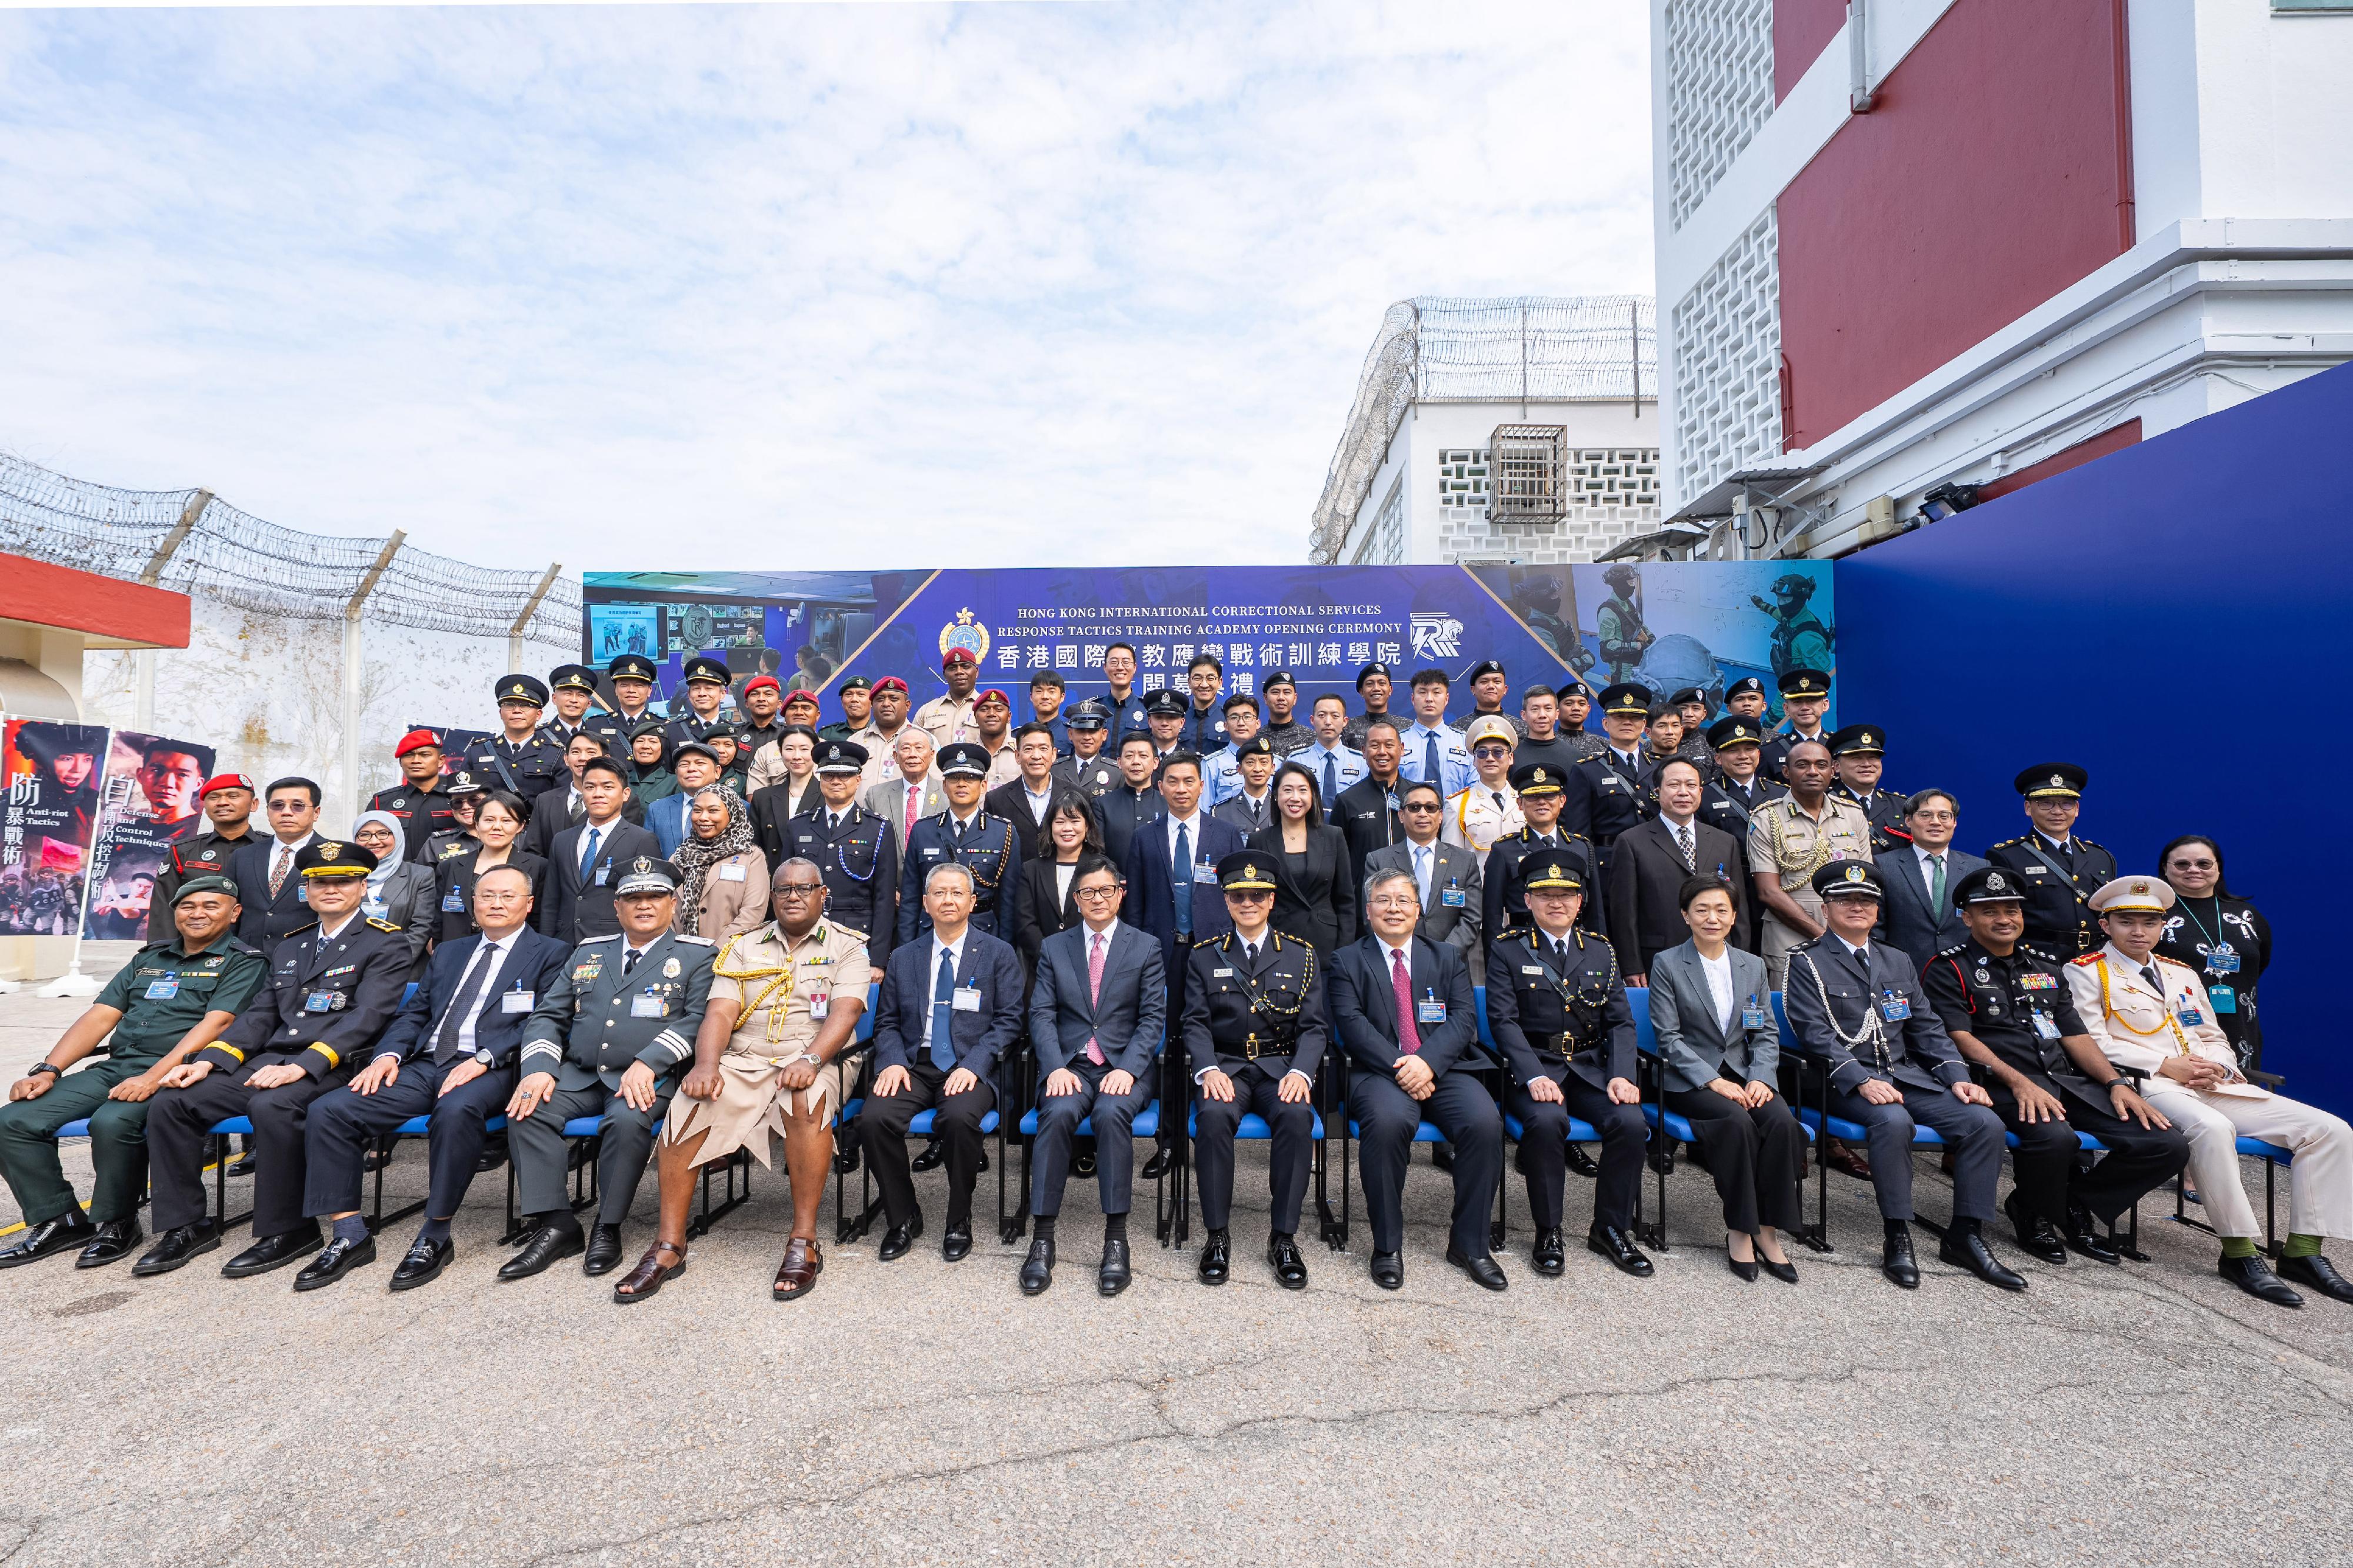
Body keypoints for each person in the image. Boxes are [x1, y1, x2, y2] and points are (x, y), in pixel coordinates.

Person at [2067, 876, 2353, 1307]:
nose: (2139, 931)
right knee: (2212, 1129)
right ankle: (2238, 1253)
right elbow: (2089, 1038)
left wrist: (2218, 1065)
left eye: (2150, 922)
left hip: (2208, 1081)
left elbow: (2212, 1032)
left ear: (2163, 925)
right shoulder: (2087, 971)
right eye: (2126, 922)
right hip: (2150, 1085)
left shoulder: (2181, 972)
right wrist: (2166, 1064)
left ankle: (2303, 1252)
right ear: (2106, 925)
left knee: (2330, 1130)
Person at [134, 842, 412, 1279]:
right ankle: (186, 1226)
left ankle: (291, 1229)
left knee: (273, 1105)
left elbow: (368, 1017)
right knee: (174, 1101)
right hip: (270, 1059)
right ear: (308, 890)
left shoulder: (386, 943)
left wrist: (302, 1066)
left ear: (362, 886)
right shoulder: (292, 945)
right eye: (321, 882)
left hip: (336, 1065)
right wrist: (208, 1061)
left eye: (342, 881)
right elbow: (262, 1013)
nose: (331, 889)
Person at [291, 866, 573, 1291]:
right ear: (473, 905)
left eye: (508, 897)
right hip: (425, 1063)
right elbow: (416, 1012)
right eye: (488, 896)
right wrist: (388, 1054)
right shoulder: (450, 951)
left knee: (456, 1110)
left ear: (529, 905)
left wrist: (485, 1056)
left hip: (494, 1066)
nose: (497, 903)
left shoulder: (554, 952)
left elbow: (546, 1020)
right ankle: (349, 1234)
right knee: (331, 1110)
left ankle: (435, 1235)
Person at [617, 859, 872, 1302]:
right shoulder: (743, 945)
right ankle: (669, 1245)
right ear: (771, 897)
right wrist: (706, 1065)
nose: (793, 896)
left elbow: (846, 1011)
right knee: (688, 1105)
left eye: (804, 888)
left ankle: (804, 1241)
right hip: (746, 1057)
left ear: (823, 894)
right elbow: (720, 1011)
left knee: (803, 1098)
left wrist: (811, 1058)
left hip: (816, 1054)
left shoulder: (849, 946)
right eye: (783, 890)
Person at [1922, 866, 2189, 1270]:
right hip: (1997, 1083)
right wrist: (2017, 1082)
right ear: (1967, 917)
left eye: (2012, 909)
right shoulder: (1949, 967)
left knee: (2164, 1143)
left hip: (2064, 1081)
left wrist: (2116, 1083)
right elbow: (1960, 1038)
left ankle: (2070, 1204)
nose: (2004, 919)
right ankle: (2036, 1215)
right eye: (1990, 911)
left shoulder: (2045, 966)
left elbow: (2076, 1037)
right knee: (2056, 1138)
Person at [0, 876, 265, 1270]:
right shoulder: (148, 959)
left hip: (182, 1073)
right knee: (14, 1119)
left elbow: (217, 1025)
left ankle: (117, 1221)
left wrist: (154, 1078)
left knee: (114, 1121)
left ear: (234, 912)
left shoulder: (244, 962)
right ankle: (61, 1219)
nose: (198, 913)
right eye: (188, 906)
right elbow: (101, 1016)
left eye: (211, 905)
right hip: (117, 1066)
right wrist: (48, 1069)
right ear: (174, 913)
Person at [1782, 861, 2024, 1292]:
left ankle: (1966, 1236)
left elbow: (1926, 1027)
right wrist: (1860, 1079)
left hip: (1906, 1077)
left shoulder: (1897, 960)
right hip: (1841, 1082)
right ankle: (1898, 1233)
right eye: (1845, 900)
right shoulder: (1807, 962)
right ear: (1825, 908)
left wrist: (1957, 1076)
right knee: (1893, 1122)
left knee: (1984, 1123)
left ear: (1878, 910)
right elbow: (1815, 1033)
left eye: (1866, 901)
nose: (1857, 907)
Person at [502, 856, 717, 1281]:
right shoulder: (588, 953)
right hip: (581, 1074)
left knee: (626, 1119)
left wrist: (648, 1062)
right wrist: (540, 1068)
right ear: (617, 908)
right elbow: (548, 1016)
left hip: (649, 1079)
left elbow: (698, 1020)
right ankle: (557, 1223)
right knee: (528, 1109)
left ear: (673, 903)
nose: (643, 905)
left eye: (654, 896)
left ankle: (609, 1224)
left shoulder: (697, 956)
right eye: (631, 897)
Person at [1334, 867, 1504, 1290]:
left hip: (1442, 1067)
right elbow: (1353, 1026)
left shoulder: (1446, 957)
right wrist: (1403, 1066)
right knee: (1388, 1125)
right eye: (1384, 900)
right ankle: (1387, 1246)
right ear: (1368, 909)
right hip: (1379, 1071)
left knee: (1484, 1124)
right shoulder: (1346, 960)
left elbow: (1465, 1019)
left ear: (1419, 909)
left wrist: (1426, 1063)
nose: (1394, 909)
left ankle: (1470, 1244)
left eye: (1403, 900)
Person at [1485, 854, 1650, 1280]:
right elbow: (1503, 1021)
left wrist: (1621, 1074)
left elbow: (1620, 1021)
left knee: (1630, 1122)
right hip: (1536, 1068)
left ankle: (1610, 1228)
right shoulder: (1507, 949)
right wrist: (1533, 1075)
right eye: (1544, 895)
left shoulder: (1600, 949)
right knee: (1545, 1122)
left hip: (1592, 1069)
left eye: (1565, 895)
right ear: (1528, 900)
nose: (1555, 903)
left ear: (1581, 901)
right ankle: (1549, 1229)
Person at [1020, 855, 1166, 1296]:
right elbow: (1041, 1013)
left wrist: (1128, 1068)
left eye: (1106, 890)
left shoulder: (1145, 946)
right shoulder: (1054, 946)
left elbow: (1153, 1017)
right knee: (1058, 1112)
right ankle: (1042, 1239)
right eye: (1088, 892)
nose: (1098, 899)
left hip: (1125, 1066)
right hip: (1072, 1065)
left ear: (1120, 893)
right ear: (1076, 899)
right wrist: (1054, 1067)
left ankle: (1116, 1239)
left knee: (1110, 1115)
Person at [864, 862, 1024, 1267]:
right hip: (916, 1065)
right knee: (874, 1118)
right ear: (925, 903)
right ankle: (902, 1216)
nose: (948, 900)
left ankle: (958, 1219)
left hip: (971, 1066)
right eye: (939, 893)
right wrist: (893, 1062)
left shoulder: (997, 954)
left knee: (957, 1119)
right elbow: (886, 1023)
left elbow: (1009, 1021)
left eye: (957, 893)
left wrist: (973, 1065)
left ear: (972, 902)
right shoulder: (904, 957)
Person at [1646, 876, 1802, 1281]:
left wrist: (1762, 1077)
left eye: (1721, 910)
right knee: (1737, 1123)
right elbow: (1669, 1038)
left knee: (1783, 1124)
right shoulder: (1667, 963)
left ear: (1733, 916)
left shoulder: (1751, 965)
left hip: (1746, 1074)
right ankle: (1740, 1229)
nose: (1711, 918)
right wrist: (1713, 1081)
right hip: (1690, 1079)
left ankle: (1768, 1230)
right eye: (1701, 910)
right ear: (1686, 915)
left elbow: (1764, 1030)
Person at [1184, 852, 1324, 1289]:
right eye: (1239, 896)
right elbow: (1193, 1022)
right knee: (1211, 1116)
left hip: (1279, 1067)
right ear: (1227, 902)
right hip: (1225, 1066)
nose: (1249, 903)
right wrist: (1207, 1070)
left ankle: (1283, 1237)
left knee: (1297, 1117)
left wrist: (1301, 1073)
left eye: (1257, 895)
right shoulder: (1204, 957)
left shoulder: (1300, 956)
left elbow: (1315, 1027)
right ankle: (1217, 1235)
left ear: (1271, 900)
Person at [1608, 758, 1749, 982]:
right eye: (1674, 785)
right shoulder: (1631, 842)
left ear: (1701, 792)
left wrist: (1742, 959)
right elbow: (1623, 913)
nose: (1684, 792)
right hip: (1657, 959)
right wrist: (1631, 966)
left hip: (1718, 958)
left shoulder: (1725, 842)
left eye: (1691, 785)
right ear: (1657, 792)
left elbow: (1738, 911)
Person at [1746, 739, 1872, 990]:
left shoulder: (1853, 814)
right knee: (1790, 1015)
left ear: (1833, 770)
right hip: (1789, 935)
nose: (1813, 771)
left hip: (1848, 930)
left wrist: (1846, 933)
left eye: (1821, 765)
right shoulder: (1766, 817)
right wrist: (1826, 936)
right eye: (1802, 765)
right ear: (1786, 772)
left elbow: (1866, 881)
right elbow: (1768, 892)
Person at [776, 739, 898, 973]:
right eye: (829, 775)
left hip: (857, 936)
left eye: (844, 775)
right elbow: (785, 890)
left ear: (858, 779)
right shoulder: (798, 825)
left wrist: (878, 960)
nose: (836, 781)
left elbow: (884, 899)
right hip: (805, 932)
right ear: (820, 779)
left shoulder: (878, 828)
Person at [2155, 835, 2269, 1072]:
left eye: (2204, 864)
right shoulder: (2152, 915)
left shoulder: (2246, 915)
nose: (2193, 870)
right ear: (2165, 870)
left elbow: (2259, 963)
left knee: (2243, 1100)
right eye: (2182, 864)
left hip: (2240, 1025)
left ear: (2218, 869)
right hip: (2176, 1026)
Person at [1985, 765, 2117, 957]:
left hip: (2097, 959)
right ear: (2028, 808)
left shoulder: (2101, 857)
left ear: (2077, 809)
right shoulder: (2007, 856)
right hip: (2040, 960)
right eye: (2046, 803)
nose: (2057, 811)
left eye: (2066, 803)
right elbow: (2000, 917)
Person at [896, 742, 1016, 946]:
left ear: (984, 786)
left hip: (984, 934)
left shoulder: (1003, 832)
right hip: (929, 934)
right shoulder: (923, 830)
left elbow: (1009, 904)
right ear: (944, 786)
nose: (962, 784)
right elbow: (910, 899)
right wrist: (906, 950)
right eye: (954, 778)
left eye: (970, 778)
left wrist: (1005, 951)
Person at [1480, 761, 1605, 948]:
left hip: (1574, 945)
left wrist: (1598, 952)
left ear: (1562, 801)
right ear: (1520, 803)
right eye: (1533, 797)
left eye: (1549, 795)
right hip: (1522, 946)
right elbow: (1492, 917)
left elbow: (1595, 913)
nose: (1542, 802)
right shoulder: (1503, 851)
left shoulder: (1582, 847)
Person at [1249, 763, 1357, 960]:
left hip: (1326, 946)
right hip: (1277, 944)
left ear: (1313, 796)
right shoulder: (1258, 841)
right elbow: (1253, 898)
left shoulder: (1333, 836)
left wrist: (1345, 951)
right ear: (1275, 795)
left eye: (1303, 790)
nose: (1295, 798)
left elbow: (1345, 900)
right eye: (1287, 790)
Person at [546, 758, 659, 943]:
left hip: (613, 943)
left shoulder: (642, 840)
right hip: (563, 943)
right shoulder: (562, 840)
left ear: (625, 794)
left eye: (608, 787)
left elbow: (647, 900)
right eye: (590, 787)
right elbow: (550, 901)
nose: (598, 794)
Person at [1367, 779, 1481, 962]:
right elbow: (1373, 915)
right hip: (1397, 963)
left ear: (1441, 816)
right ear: (1402, 815)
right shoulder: (1379, 861)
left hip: (1451, 963)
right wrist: (1403, 955)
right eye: (1414, 807)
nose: (1423, 814)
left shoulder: (1464, 861)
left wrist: (1443, 955)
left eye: (1430, 808)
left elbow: (1471, 919)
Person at [1874, 789, 1982, 964]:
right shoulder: (1884, 866)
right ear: (1908, 820)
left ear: (1954, 823)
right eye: (1925, 815)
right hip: (1906, 975)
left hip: (1965, 976)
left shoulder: (1977, 868)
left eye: (1945, 816)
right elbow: (1876, 929)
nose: (1936, 822)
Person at [148, 772, 260, 941]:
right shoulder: (183, 851)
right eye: (214, 797)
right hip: (196, 949)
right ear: (204, 806)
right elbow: (164, 907)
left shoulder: (272, 850)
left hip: (254, 949)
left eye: (233, 796)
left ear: (253, 804)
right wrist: (161, 953)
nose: (222, 802)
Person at [432, 790, 549, 944]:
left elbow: (541, 922)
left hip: (516, 956)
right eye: (489, 820)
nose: (497, 827)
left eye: (507, 821)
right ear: (477, 823)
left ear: (521, 826)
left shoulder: (538, 867)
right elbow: (438, 923)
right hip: (456, 954)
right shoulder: (450, 867)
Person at [231, 777, 322, 953]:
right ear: (268, 811)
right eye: (277, 805)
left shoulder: (330, 856)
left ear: (316, 812)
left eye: (298, 806)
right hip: (248, 959)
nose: (286, 812)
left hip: (306, 957)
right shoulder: (243, 856)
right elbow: (230, 912)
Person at [1011, 792, 1099, 975]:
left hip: (1090, 966)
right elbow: (1025, 923)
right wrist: (1050, 958)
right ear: (1050, 827)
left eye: (1075, 821)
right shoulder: (1031, 869)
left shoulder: (1102, 869)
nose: (1067, 828)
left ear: (1087, 827)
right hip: (1042, 968)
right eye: (1060, 822)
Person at [673, 786, 770, 943]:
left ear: (732, 814)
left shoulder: (751, 857)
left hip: (727, 957)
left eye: (713, 811)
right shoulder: (680, 857)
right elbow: (667, 912)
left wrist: (714, 953)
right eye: (697, 810)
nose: (703, 817)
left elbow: (752, 913)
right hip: (679, 957)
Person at [1564, 683, 1652, 853]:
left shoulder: (1659, 768)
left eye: (1634, 717)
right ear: (1605, 723)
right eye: (1619, 716)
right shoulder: (1586, 771)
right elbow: (1578, 834)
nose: (1627, 722)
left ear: (1643, 725)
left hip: (1654, 860)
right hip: (1609, 863)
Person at [349, 810, 438, 980]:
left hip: (400, 972)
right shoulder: (347, 877)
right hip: (349, 971)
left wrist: (391, 965)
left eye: (383, 833)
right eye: (364, 835)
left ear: (397, 835)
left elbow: (421, 928)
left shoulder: (420, 876)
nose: (374, 841)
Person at [1332, 718, 1407, 896]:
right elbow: (1338, 861)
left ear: (1402, 749)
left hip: (1411, 902)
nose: (1382, 752)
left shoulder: (1418, 799)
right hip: (1364, 903)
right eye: (1374, 746)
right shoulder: (1347, 800)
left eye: (1389, 745)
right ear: (1363, 751)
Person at [468, 673, 567, 806]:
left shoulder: (556, 754)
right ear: (500, 713)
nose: (517, 711)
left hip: (536, 825)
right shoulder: (478, 751)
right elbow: (465, 798)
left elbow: (561, 802)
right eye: (509, 705)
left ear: (539, 715)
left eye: (525, 705)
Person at [363, 729, 459, 863]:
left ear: (441, 761)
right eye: (409, 756)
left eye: (424, 755)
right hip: (398, 878)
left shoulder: (460, 801)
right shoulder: (382, 802)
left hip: (446, 878)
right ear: (401, 762)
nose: (416, 761)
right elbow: (367, 845)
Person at [986, 722, 1075, 864]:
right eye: (1028, 749)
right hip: (1016, 882)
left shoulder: (1077, 795)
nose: (1036, 756)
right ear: (1017, 756)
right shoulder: (996, 800)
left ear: (1054, 755)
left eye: (1043, 749)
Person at [1696, 716, 1784, 857]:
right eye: (1733, 751)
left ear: (1758, 754)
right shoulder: (1703, 795)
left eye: (1749, 749)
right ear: (1718, 759)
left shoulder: (1781, 793)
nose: (1743, 756)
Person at [1441, 716, 1521, 856]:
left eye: (1498, 752)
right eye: (1482, 753)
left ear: (1511, 758)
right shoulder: (1457, 805)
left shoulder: (1526, 801)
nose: (1490, 758)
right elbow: (1452, 862)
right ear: (1474, 760)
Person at [861, 728, 945, 848]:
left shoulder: (947, 793)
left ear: (932, 755)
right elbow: (868, 841)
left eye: (919, 748)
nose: (912, 754)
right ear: (896, 756)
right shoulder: (876, 795)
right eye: (906, 748)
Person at [1399, 668, 1474, 799]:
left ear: (1446, 699)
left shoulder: (1465, 742)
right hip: (1409, 817)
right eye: (1422, 693)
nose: (1429, 699)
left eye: (1436, 693)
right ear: (1412, 699)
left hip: (1457, 817)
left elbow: (1475, 788)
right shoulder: (1397, 742)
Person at [1095, 732, 1164, 870]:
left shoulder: (1168, 804)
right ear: (1119, 763)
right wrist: (1116, 879)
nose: (1136, 762)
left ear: (1155, 763)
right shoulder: (1103, 805)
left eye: (1143, 756)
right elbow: (1097, 853)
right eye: (1129, 756)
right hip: (1117, 887)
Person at [1827, 724, 1904, 836]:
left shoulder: (1901, 805)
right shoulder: (1824, 804)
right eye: (1856, 758)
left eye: (1873, 758)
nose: (1867, 764)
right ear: (1837, 766)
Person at [1757, 668, 1831, 783]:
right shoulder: (1769, 751)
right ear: (1786, 709)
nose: (1805, 707)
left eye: (1812, 701)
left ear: (1825, 705)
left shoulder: (1838, 747)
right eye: (1797, 702)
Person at [1299, 694, 1367, 819]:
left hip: (1349, 832)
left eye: (1335, 716)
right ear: (1312, 720)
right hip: (1307, 831)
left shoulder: (1361, 762)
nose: (1328, 722)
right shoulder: (1298, 760)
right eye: (1322, 716)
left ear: (1345, 721)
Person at [744, 728, 821, 831]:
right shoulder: (763, 798)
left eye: (804, 749)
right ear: (781, 752)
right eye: (789, 749)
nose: (797, 756)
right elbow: (755, 843)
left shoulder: (829, 796)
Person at [1515, 683, 1603, 773]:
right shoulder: (1513, 756)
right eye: (1535, 709)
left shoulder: (1575, 755)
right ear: (1524, 715)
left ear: (1557, 714)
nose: (1542, 715)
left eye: (1548, 708)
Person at [1201, 693, 1263, 808]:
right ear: (1226, 726)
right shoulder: (1212, 764)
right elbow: (1204, 810)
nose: (1241, 723)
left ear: (1258, 723)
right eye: (1234, 718)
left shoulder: (1275, 763)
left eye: (1247, 717)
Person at [1209, 730, 1278, 833]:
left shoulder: (1282, 807)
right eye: (1250, 763)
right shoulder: (1221, 812)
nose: (1258, 769)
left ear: (1272, 768)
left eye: (1264, 762)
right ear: (1240, 769)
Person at [1051, 699, 1122, 798]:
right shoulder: (1055, 770)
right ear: (1070, 734)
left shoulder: (1117, 773)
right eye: (1081, 731)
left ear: (1104, 734)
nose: (1087, 737)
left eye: (1093, 731)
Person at [1595, 563, 1652, 684]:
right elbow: (1607, 645)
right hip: (1623, 670)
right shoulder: (1607, 612)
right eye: (1630, 583)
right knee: (1625, 701)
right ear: (1620, 584)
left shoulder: (1627, 603)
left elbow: (1638, 624)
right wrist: (1635, 646)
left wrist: (1650, 636)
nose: (1633, 586)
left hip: (1638, 663)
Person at [914, 646, 981, 747]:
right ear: (945, 675)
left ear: (976, 672)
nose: (959, 672)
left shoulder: (989, 709)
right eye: (952, 668)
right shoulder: (927, 710)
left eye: (965, 667)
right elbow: (913, 747)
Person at [661, 655, 734, 749]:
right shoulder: (672, 732)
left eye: (709, 688)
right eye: (696, 689)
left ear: (723, 694)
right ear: (689, 694)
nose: (702, 693)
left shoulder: (733, 732)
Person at [856, 676, 916, 783]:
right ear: (872, 705)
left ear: (907, 705)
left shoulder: (925, 741)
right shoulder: (855, 741)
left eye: (894, 699)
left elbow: (935, 785)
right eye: (880, 699)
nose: (886, 704)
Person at [135, 739, 206, 827]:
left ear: (198, 784)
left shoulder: (202, 831)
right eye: (157, 770)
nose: (168, 783)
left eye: (182, 775)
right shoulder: (124, 830)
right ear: (140, 775)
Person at [542, 663, 611, 750]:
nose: (574, 700)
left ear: (589, 703)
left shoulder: (600, 737)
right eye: (568, 694)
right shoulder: (539, 736)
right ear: (555, 698)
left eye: (581, 695)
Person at [1341, 662, 1397, 753]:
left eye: (1382, 683)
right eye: (1370, 684)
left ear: (1390, 690)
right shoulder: (1347, 728)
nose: (1376, 688)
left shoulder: (1406, 727)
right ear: (1362, 692)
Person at [971, 689, 1021, 789]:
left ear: (1009, 717)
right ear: (976, 718)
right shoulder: (968, 753)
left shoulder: (1023, 752)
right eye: (984, 709)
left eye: (999, 709)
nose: (991, 714)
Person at [1098, 643, 1149, 738]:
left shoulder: (1147, 710)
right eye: (1114, 662)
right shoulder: (1095, 709)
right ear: (1105, 667)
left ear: (1135, 668)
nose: (1120, 668)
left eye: (1126, 662)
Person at [1259, 670, 1312, 755]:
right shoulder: (1257, 737)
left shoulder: (1311, 738)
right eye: (1275, 692)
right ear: (1265, 698)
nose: (1281, 698)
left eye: (1287, 693)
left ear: (1295, 699)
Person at [605, 653, 660, 733]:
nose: (631, 690)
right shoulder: (596, 725)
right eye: (624, 685)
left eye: (638, 685)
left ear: (649, 691)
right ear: (616, 690)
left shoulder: (662, 725)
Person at [737, 673, 788, 755]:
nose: (761, 699)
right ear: (747, 703)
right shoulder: (735, 734)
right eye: (755, 694)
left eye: (768, 694)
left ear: (779, 704)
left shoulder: (788, 734)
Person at [1024, 669, 1072, 755]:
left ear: (1062, 697)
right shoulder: (1021, 734)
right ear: (1031, 696)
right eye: (1039, 691)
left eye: (1052, 692)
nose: (1045, 697)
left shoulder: (1072, 734)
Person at [1139, 689, 1189, 770]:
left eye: (1171, 718)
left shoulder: (1191, 760)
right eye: (1159, 717)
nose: (1165, 723)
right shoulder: (1139, 760)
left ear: (1182, 723)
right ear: (1150, 721)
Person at [1464, 659, 1515, 738]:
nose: (1491, 686)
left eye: (1497, 682)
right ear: (1473, 690)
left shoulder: (1521, 729)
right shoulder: (1457, 730)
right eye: (1484, 682)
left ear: (1505, 690)